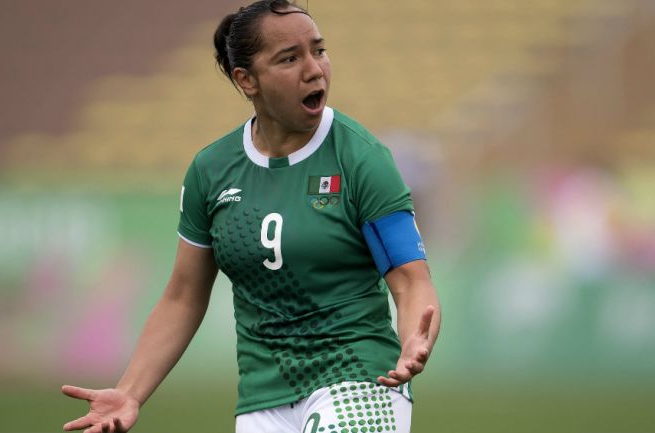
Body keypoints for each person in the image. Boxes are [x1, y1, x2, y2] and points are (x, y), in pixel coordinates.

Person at [61, 1, 441, 432]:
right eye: (289, 58)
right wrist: (129, 392)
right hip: (263, 396)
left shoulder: (362, 159)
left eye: (318, 50)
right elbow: (183, 297)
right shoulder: (212, 169)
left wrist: (414, 338)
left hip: (360, 378)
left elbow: (412, 279)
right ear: (247, 80)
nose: (314, 69)